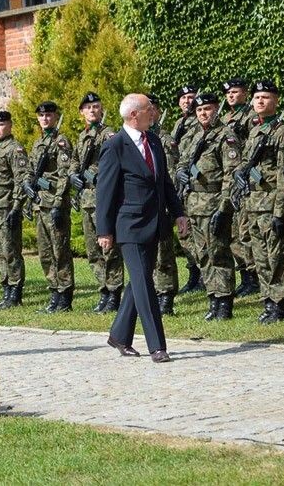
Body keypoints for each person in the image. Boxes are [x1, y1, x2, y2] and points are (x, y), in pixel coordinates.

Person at [96, 93, 190, 363]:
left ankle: (119, 335)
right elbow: (105, 191)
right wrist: (104, 230)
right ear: (134, 114)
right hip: (130, 226)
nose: (154, 113)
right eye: (150, 109)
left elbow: (165, 183)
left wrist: (178, 212)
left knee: (138, 281)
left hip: (154, 222)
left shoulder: (154, 141)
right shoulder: (115, 146)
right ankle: (157, 346)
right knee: (145, 283)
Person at [176, 92, 241, 320]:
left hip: (214, 203)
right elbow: (182, 162)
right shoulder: (195, 136)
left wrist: (224, 208)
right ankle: (213, 298)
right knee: (202, 254)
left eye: (208, 109)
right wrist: (181, 172)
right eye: (200, 110)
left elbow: (231, 175)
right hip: (194, 204)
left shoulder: (226, 136)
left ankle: (224, 303)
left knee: (219, 253)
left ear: (217, 110)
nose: (204, 113)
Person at [234, 80, 284, 323]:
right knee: (259, 256)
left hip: (271, 203)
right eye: (257, 97)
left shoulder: (281, 132)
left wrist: (280, 211)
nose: (260, 101)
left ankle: (279, 306)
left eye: (265, 97)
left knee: (276, 256)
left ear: (276, 101)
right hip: (254, 203)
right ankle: (268, 301)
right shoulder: (254, 131)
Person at [69, 92, 124, 313]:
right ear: (81, 112)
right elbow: (74, 160)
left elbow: (113, 161)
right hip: (86, 200)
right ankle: (103, 290)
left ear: (101, 110)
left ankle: (114, 292)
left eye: (96, 106)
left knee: (109, 248)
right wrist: (74, 174)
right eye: (88, 107)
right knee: (93, 251)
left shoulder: (108, 134)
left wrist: (93, 172)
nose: (92, 110)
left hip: (104, 199)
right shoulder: (82, 137)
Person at [25, 101, 75, 313]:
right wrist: (28, 184)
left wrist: (57, 203)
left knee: (60, 251)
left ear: (55, 117)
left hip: (55, 203)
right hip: (40, 204)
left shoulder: (60, 141)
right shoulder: (38, 143)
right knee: (46, 253)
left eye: (49, 115)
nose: (45, 118)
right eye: (41, 115)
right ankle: (54, 292)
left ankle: (65, 296)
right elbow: (30, 169)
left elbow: (64, 174)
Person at [0, 110, 28, 310]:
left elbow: (21, 179)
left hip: (6, 205)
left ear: (9, 125)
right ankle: (6, 287)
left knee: (10, 249)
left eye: (1, 125)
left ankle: (15, 290)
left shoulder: (14, 149)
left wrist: (17, 206)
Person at [221, 78, 260, 297]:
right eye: (229, 93)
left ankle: (254, 277)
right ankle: (245, 275)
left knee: (245, 231)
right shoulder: (226, 118)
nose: (232, 96)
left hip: (244, 177)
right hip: (231, 177)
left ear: (245, 94)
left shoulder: (251, 117)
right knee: (235, 233)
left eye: (235, 92)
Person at [149, 94, 180, 315]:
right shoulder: (138, 138)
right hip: (144, 206)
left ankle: (166, 296)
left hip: (161, 203)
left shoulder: (164, 140)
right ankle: (152, 294)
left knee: (163, 254)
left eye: (153, 109)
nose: (149, 114)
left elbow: (169, 175)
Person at [172, 84, 204, 295]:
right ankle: (193, 272)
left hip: (197, 187)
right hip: (180, 183)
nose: (187, 101)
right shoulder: (178, 124)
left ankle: (203, 274)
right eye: (183, 98)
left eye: (191, 97)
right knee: (185, 234)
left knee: (198, 235)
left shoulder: (200, 123)